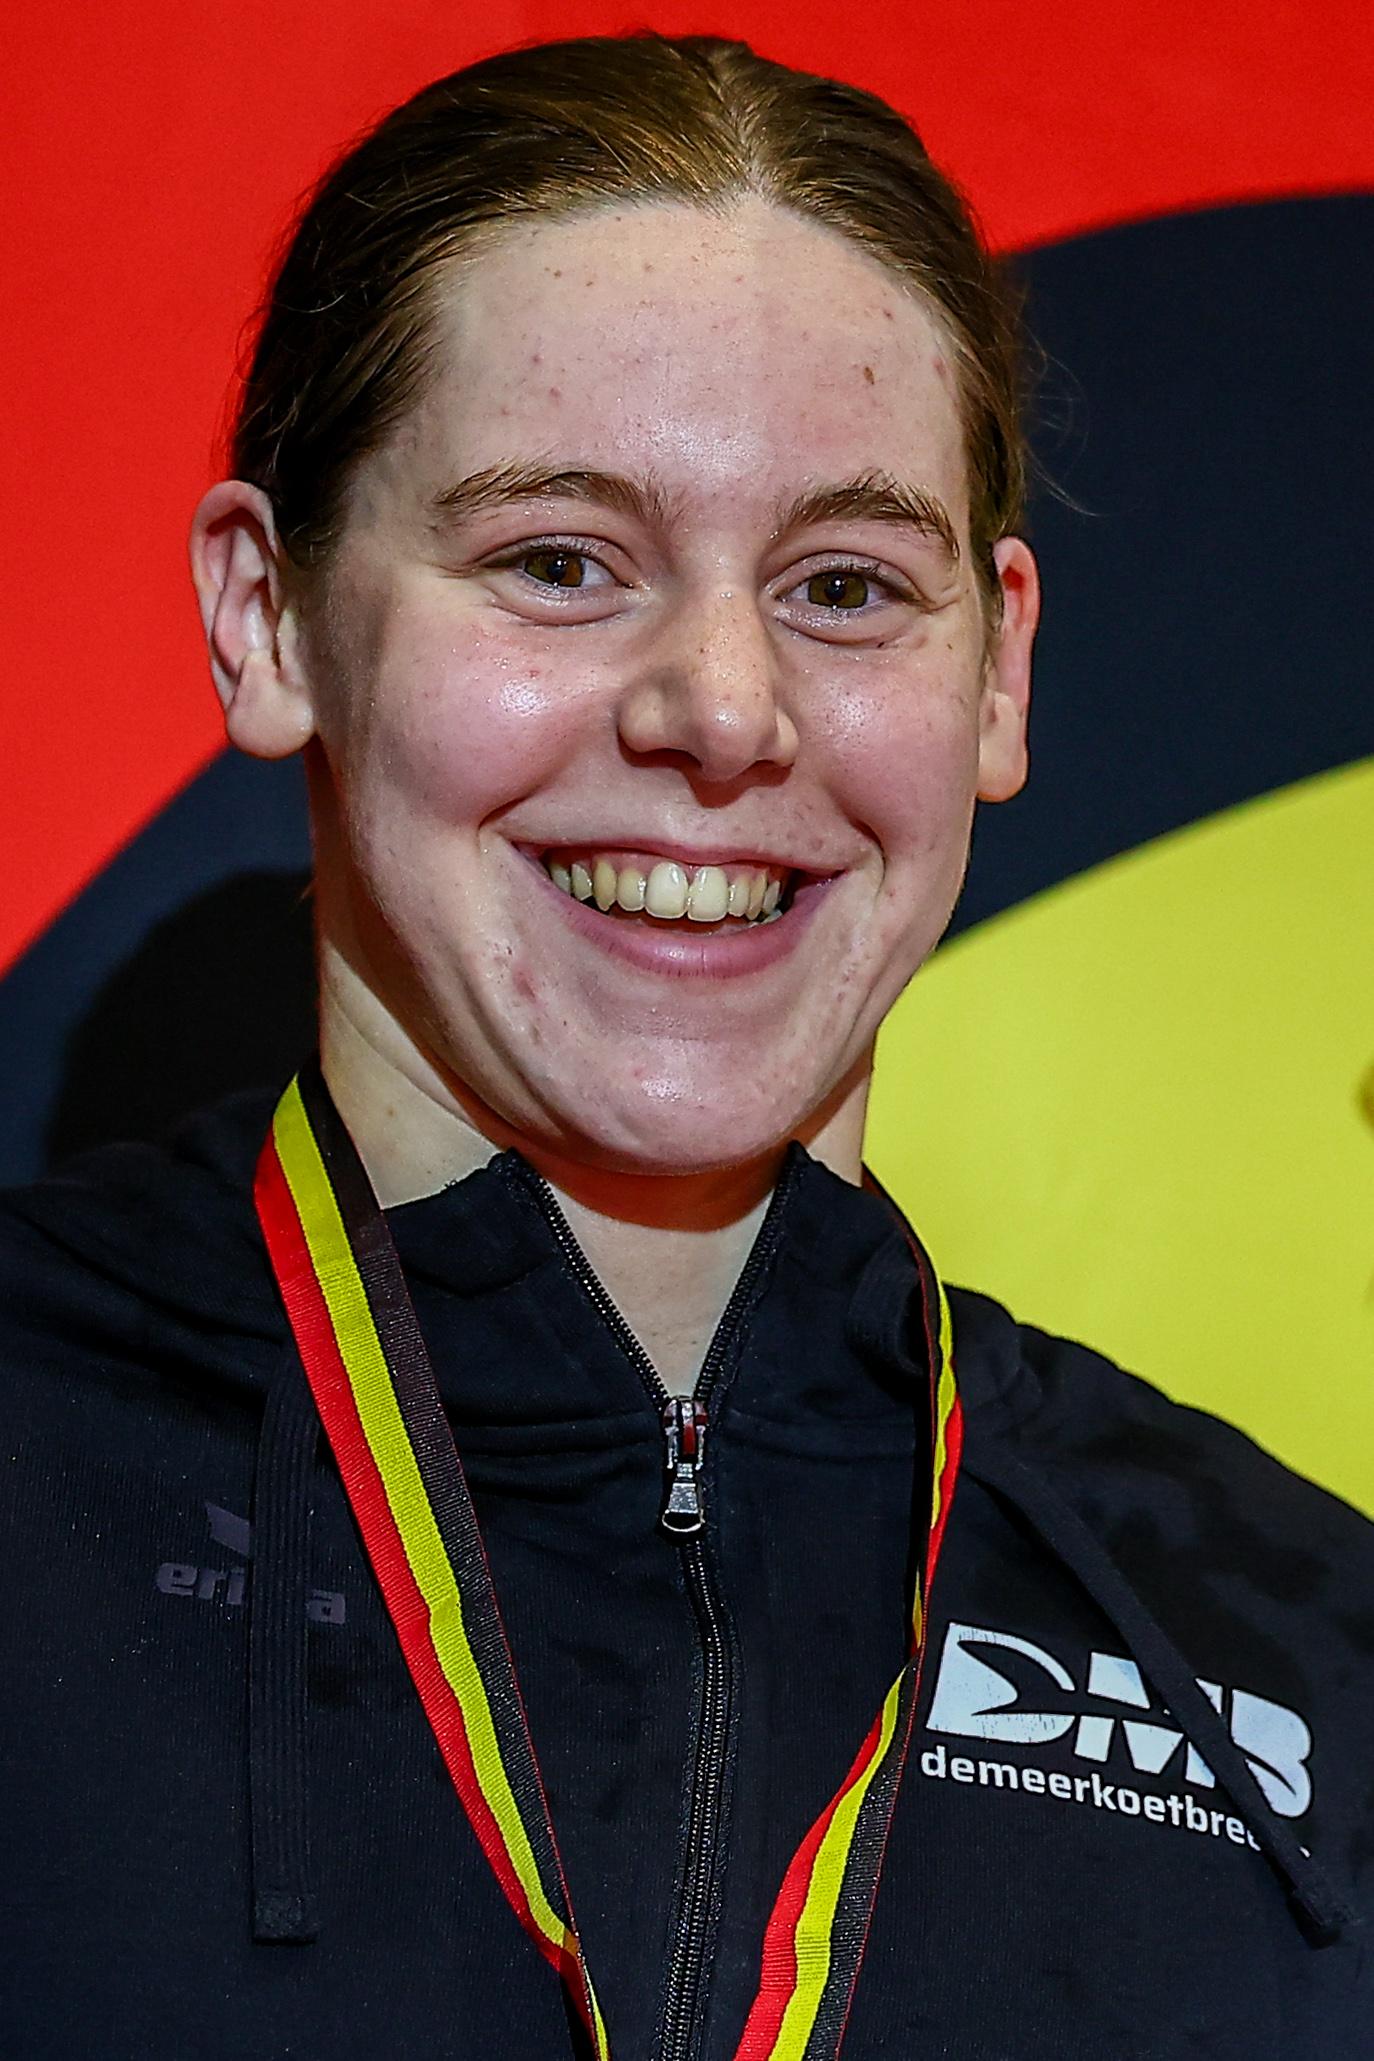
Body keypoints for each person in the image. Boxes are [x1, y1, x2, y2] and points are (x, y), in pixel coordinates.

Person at [3, 31, 1371, 2061]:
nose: (724, 708)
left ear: (999, 671)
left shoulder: (1308, 1652)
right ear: (268, 616)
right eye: (559, 559)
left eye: (844, 584)